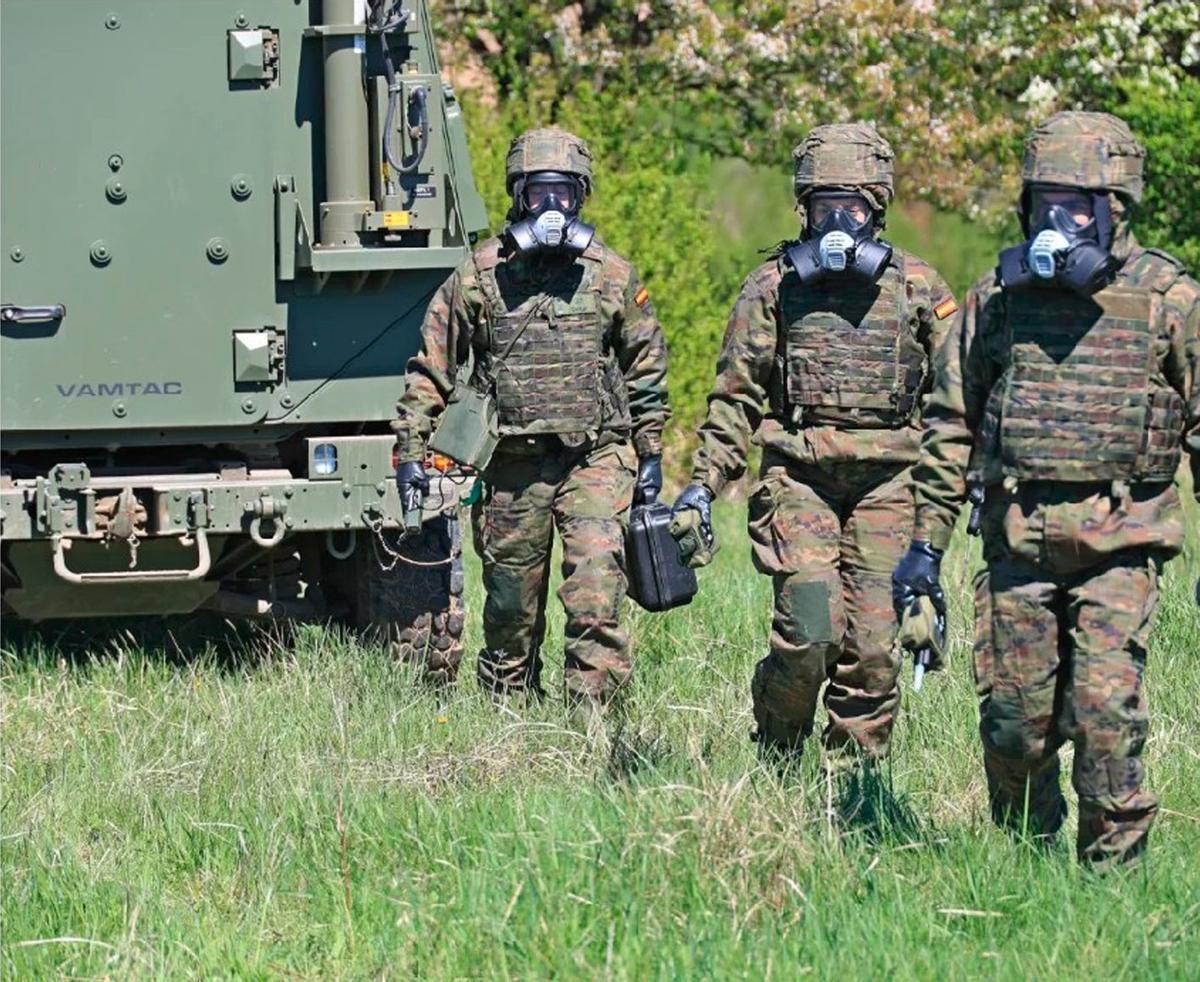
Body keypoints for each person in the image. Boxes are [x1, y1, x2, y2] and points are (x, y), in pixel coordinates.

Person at [893, 111, 1200, 868]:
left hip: (1120, 545)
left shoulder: (1168, 300)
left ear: (1114, 208)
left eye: (1076, 205)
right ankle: (1025, 860)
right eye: (1043, 204)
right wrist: (923, 550)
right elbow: (949, 424)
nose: (1055, 222)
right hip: (1018, 543)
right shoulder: (997, 298)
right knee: (1013, 723)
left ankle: (1111, 876)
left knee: (1105, 715)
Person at [673, 123, 959, 765]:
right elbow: (736, 397)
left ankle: (849, 780)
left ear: (875, 210)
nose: (837, 222)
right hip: (798, 477)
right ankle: (778, 749)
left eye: (850, 208)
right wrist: (702, 486)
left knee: (876, 648)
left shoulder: (920, 289)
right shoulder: (772, 287)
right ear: (803, 209)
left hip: (890, 484)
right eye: (823, 207)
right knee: (809, 630)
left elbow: (959, 403)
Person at [392, 127, 669, 712]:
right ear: (518, 197)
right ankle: (507, 720)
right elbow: (431, 367)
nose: (551, 209)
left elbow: (646, 363)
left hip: (595, 458)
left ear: (581, 197)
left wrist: (650, 453)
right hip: (513, 467)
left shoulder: (611, 275)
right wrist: (411, 451)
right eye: (537, 194)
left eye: (563, 195)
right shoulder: (478, 277)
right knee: (510, 612)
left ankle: (594, 724)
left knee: (595, 593)